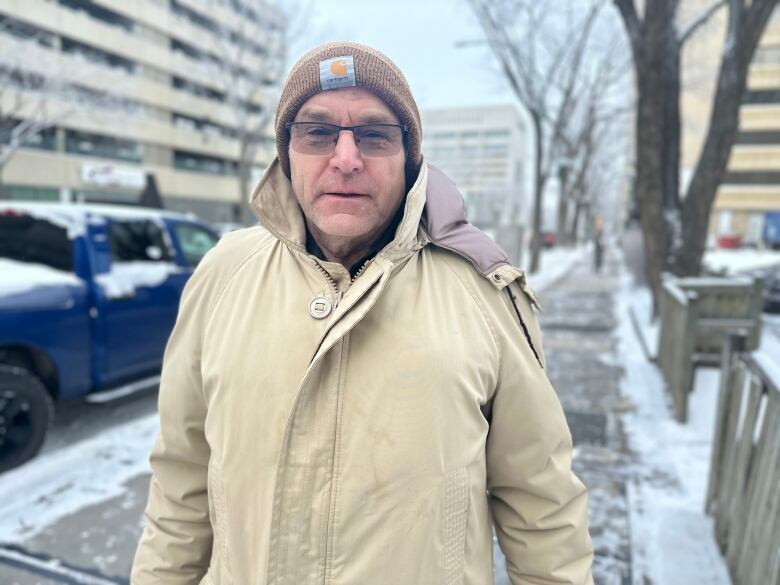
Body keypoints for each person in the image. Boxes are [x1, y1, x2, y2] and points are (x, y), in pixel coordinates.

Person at [131, 41, 593, 585]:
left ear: (409, 156)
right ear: (286, 152)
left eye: (374, 134)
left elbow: (542, 507)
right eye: (317, 132)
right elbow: (180, 485)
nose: (345, 158)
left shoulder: (484, 288)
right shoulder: (223, 273)